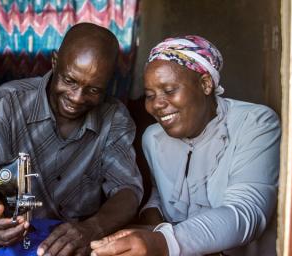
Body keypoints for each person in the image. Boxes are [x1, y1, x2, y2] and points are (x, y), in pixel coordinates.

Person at [90, 35, 280, 256]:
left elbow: (247, 212)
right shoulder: (153, 138)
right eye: (150, 95)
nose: (157, 104)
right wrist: (151, 218)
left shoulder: (255, 123)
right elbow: (159, 191)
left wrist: (163, 241)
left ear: (206, 84)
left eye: (169, 91)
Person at [0, 23, 143, 256]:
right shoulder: (4, 107)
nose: (77, 97)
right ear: (54, 62)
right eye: (70, 81)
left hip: (80, 243)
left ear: (109, 83)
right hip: (13, 243)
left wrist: (93, 227)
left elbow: (128, 190)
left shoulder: (114, 119)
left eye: (93, 90)